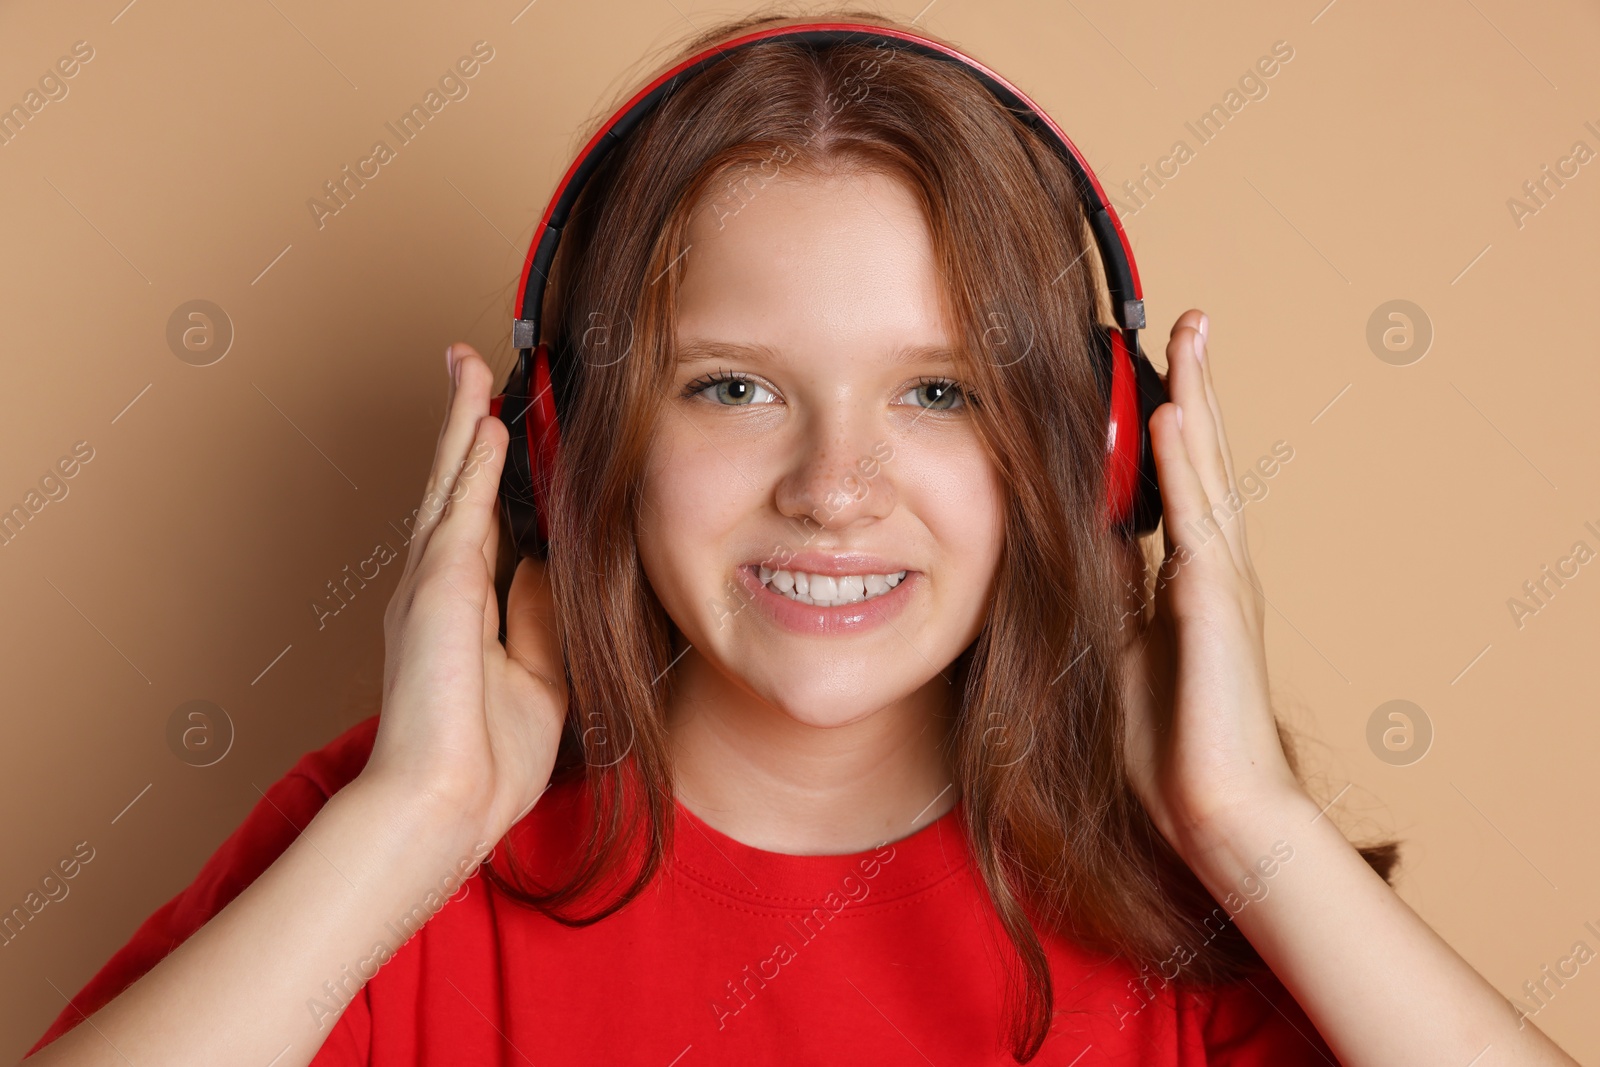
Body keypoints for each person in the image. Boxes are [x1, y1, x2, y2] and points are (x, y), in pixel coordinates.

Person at [21, 10, 1580, 1066]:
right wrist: (415, 822)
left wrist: (1253, 831)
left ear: (1100, 454)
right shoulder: (392, 845)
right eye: (736, 385)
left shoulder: (1189, 913)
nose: (837, 485)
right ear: (571, 441)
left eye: (939, 392)